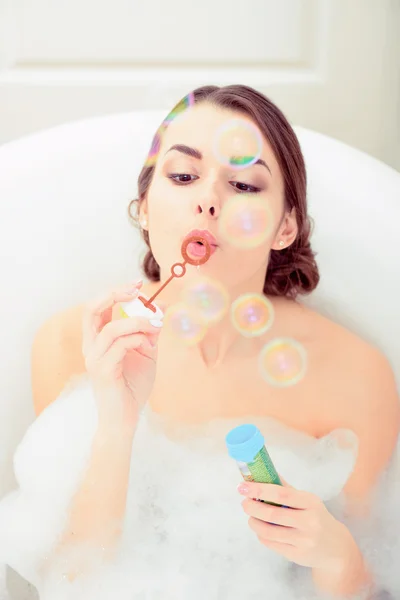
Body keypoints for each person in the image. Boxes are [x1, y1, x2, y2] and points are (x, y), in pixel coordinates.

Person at [19, 85, 400, 598]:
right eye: (182, 176)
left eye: (244, 185)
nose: (208, 199)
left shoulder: (354, 373)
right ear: (145, 209)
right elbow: (71, 577)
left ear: (285, 226)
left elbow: (370, 571)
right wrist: (116, 423)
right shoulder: (76, 344)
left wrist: (337, 555)